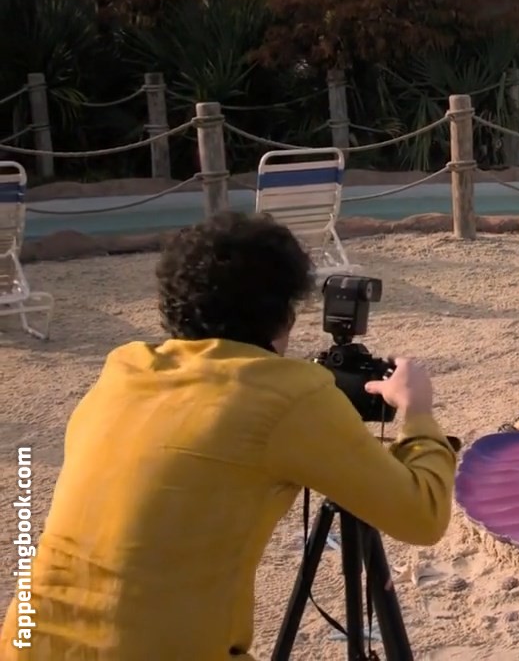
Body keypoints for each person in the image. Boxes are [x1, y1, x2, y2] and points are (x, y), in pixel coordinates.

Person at [0, 212, 458, 660]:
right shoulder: (287, 395)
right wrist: (417, 411)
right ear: (284, 314)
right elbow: (422, 517)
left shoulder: (122, 371)